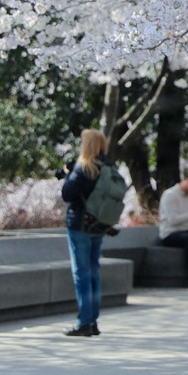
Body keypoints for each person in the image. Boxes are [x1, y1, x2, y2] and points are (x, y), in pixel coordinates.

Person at [60, 128, 112, 337]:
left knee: (81, 274)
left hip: (80, 226)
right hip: (98, 225)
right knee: (93, 273)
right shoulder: (107, 167)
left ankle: (84, 322)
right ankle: (93, 321)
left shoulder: (83, 168)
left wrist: (67, 175)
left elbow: (67, 194)